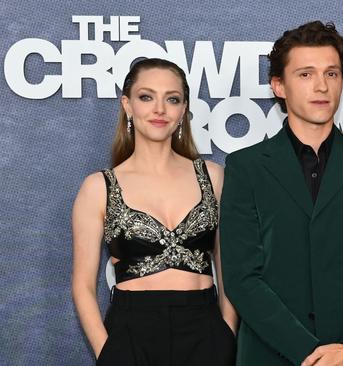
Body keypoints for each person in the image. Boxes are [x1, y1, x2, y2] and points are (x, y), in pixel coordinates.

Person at [219, 21, 343, 366]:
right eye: (305, 74)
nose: (321, 86)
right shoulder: (245, 167)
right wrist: (310, 355)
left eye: (332, 74)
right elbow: (242, 277)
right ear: (279, 86)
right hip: (271, 355)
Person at [71, 58, 236, 365]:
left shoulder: (213, 177)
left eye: (171, 99)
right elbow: (82, 285)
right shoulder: (99, 187)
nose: (159, 109)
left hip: (206, 331)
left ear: (183, 109)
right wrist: (107, 352)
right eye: (146, 97)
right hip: (131, 333)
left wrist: (227, 332)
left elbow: (228, 267)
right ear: (127, 105)